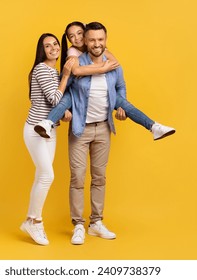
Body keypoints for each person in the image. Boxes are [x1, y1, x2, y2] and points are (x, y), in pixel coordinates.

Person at [34, 21, 175, 141]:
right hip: (76, 92)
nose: (77, 38)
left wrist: (121, 105)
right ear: (69, 40)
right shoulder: (72, 53)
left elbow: (115, 63)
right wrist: (101, 68)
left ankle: (153, 126)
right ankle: (48, 122)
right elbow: (76, 71)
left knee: (126, 104)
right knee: (65, 100)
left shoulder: (98, 46)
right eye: (72, 36)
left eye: (79, 33)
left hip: (104, 92)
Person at [65, 22, 139, 245]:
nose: (97, 44)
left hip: (104, 128)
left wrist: (120, 107)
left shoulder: (113, 63)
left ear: (105, 40)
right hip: (80, 128)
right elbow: (66, 88)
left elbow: (121, 87)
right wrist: (65, 110)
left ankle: (96, 222)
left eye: (100, 40)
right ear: (85, 42)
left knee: (99, 178)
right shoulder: (76, 61)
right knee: (77, 178)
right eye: (92, 40)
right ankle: (78, 224)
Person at [20, 33, 74, 245]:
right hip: (35, 130)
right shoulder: (42, 69)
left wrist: (65, 109)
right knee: (47, 176)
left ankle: (29, 220)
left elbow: (57, 102)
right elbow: (53, 98)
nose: (53, 48)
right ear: (42, 50)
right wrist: (67, 75)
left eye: (55, 44)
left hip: (50, 131)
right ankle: (36, 222)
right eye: (47, 46)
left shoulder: (54, 71)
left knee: (41, 175)